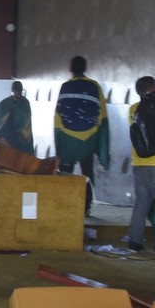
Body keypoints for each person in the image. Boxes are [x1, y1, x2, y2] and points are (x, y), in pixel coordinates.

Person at [123, 76, 155, 256]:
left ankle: (134, 242)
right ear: (154, 88)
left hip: (139, 163)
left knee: (141, 203)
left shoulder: (133, 109)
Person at [53, 56, 109, 216]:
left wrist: (59, 145)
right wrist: (99, 141)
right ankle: (86, 207)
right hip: (88, 140)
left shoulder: (65, 87)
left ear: (70, 68)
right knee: (87, 174)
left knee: (66, 173)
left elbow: (58, 116)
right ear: (85, 68)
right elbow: (102, 116)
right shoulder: (95, 86)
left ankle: (66, 205)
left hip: (68, 139)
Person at [0, 80, 35, 154]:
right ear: (13, 90)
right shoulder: (6, 102)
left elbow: (26, 119)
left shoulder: (25, 103)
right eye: (16, 90)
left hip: (20, 136)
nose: (18, 92)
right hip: (7, 133)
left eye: (19, 90)